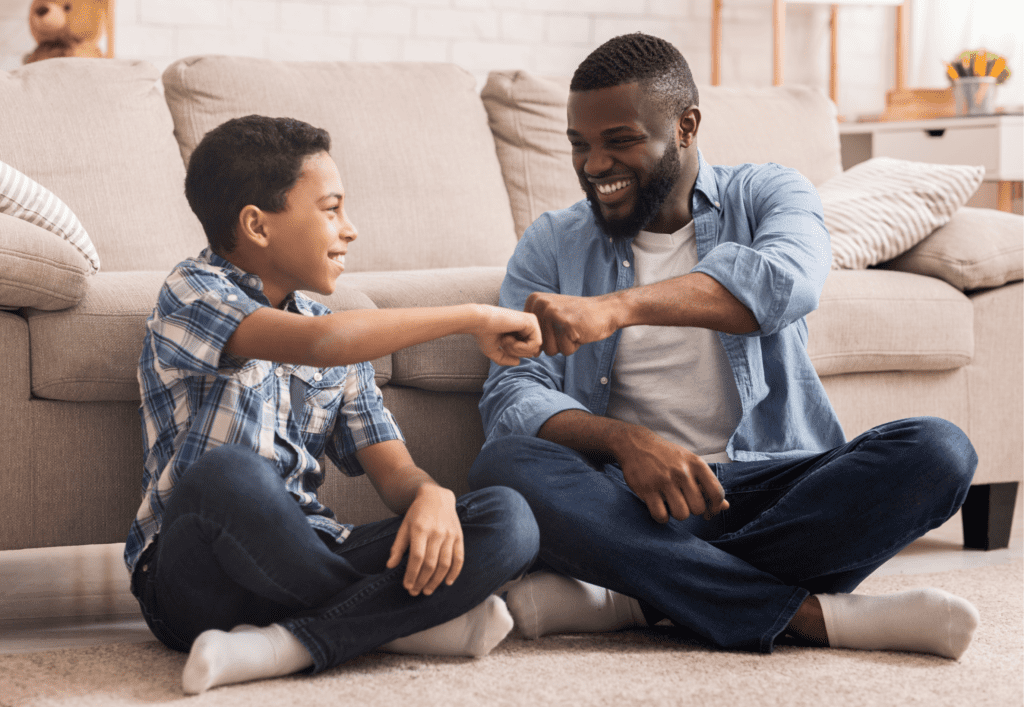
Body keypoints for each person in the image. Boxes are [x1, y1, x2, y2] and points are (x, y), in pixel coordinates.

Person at [470, 33, 981, 660]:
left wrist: (615, 309)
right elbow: (512, 395)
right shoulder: (553, 242)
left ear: (685, 127)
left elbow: (782, 286)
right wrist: (627, 443)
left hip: (777, 492)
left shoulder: (771, 193)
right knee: (505, 466)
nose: (594, 165)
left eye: (620, 140)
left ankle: (633, 600)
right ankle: (812, 616)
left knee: (940, 452)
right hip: (638, 504)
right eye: (580, 144)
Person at [126, 115, 543, 694]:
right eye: (331, 209)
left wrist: (431, 497)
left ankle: (285, 643)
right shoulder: (192, 292)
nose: (350, 230)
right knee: (229, 475)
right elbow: (321, 346)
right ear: (257, 225)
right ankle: (397, 626)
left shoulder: (336, 336)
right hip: (195, 576)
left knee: (510, 519)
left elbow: (395, 472)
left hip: (309, 549)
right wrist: (472, 315)